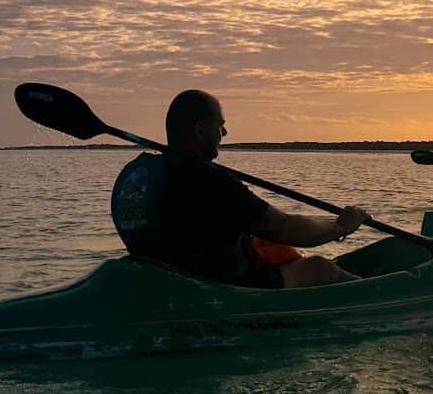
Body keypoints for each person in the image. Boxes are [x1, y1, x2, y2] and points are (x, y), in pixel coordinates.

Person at [110, 89, 368, 289]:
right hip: (221, 287)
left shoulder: (141, 175)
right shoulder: (211, 182)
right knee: (320, 268)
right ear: (200, 129)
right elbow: (286, 229)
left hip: (169, 279)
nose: (224, 131)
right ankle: (377, 295)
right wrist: (341, 227)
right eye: (219, 124)